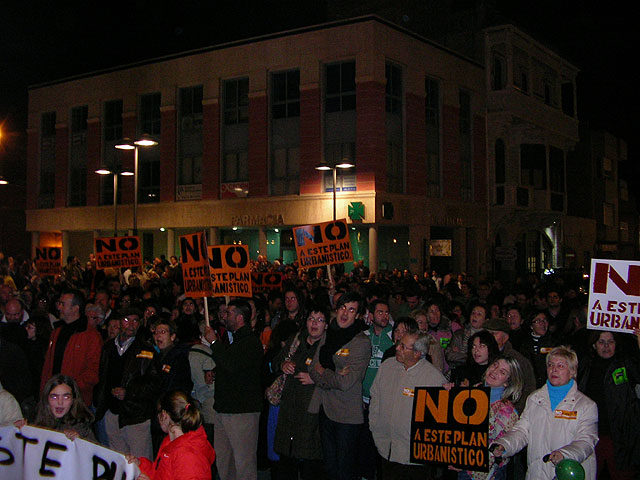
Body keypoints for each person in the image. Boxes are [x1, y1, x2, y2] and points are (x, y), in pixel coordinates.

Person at [492, 346, 598, 480]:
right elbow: (522, 431)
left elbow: (587, 440)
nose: (554, 369)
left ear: (572, 372)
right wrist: (505, 444)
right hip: (538, 473)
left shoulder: (586, 405)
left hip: (569, 474)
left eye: (560, 366)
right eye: (550, 365)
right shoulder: (535, 399)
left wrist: (564, 454)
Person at [308, 291, 370, 480]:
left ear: (358, 315)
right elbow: (311, 367)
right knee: (330, 467)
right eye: (343, 308)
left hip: (346, 415)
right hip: (325, 409)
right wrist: (331, 373)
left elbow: (346, 383)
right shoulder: (329, 334)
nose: (345, 313)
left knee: (345, 470)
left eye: (351, 310)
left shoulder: (361, 342)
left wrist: (323, 372)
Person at [369, 331, 447, 479]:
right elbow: (375, 397)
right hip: (385, 449)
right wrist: (375, 425)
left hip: (414, 459)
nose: (397, 348)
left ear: (417, 353)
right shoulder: (387, 366)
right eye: (399, 344)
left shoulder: (433, 378)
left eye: (404, 347)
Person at [203, 299, 263, 480]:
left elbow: (232, 364)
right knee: (224, 461)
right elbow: (231, 364)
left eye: (228, 313)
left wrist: (214, 343)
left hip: (242, 412)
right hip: (224, 409)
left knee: (243, 463)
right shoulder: (234, 340)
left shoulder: (250, 342)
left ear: (239, 317)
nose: (224, 317)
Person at [94, 307, 159, 458]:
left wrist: (129, 392)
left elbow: (155, 383)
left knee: (140, 462)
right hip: (112, 412)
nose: (130, 324)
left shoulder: (147, 350)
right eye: (126, 320)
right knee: (117, 459)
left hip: (136, 416)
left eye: (135, 321)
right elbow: (102, 377)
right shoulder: (108, 348)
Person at [273, 303, 328, 480]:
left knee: (311, 465)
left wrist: (315, 379)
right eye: (311, 319)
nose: (314, 323)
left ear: (326, 325)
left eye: (320, 320)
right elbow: (274, 362)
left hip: (313, 414)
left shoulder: (329, 346)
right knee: (286, 464)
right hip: (289, 409)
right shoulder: (295, 340)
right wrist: (283, 364)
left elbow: (339, 377)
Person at [578, 330, 640, 479]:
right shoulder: (585, 366)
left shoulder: (625, 363)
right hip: (593, 434)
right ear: (594, 345)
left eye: (610, 341)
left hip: (621, 437)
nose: (606, 346)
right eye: (601, 342)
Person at [455, 356, 523, 480]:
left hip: (487, 474)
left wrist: (464, 461)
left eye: (502, 372)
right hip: (462, 467)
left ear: (507, 382)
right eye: (495, 365)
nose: (495, 371)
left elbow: (498, 452)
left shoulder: (507, 412)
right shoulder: (472, 391)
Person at [128, 390, 216, 480]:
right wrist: (140, 465)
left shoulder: (188, 453)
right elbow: (160, 474)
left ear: (164, 415)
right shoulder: (170, 442)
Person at [40, 289, 103, 407]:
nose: (59, 307)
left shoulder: (91, 336)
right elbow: (48, 367)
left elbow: (93, 373)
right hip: (53, 399)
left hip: (76, 402)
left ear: (75, 308)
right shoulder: (57, 332)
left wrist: (69, 389)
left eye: (63, 304)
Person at [22, 373, 95, 441]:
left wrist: (80, 442)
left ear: (73, 400)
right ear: (46, 399)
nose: (60, 402)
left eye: (66, 397)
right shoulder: (36, 422)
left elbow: (94, 451)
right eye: (54, 397)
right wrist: (21, 431)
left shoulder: (82, 429)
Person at [520, 311, 560, 387]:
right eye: (538, 321)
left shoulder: (555, 342)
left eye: (545, 320)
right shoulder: (524, 343)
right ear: (531, 326)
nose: (542, 323)